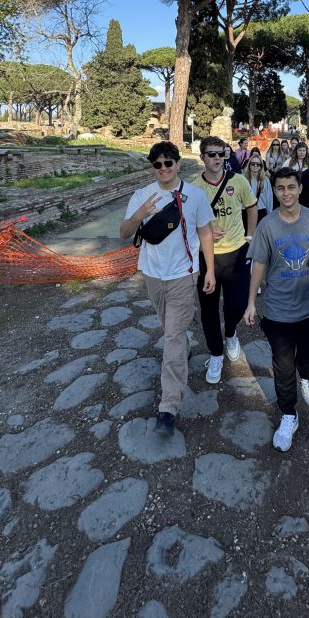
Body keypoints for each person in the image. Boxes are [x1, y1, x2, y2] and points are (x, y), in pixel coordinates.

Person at [120, 142, 216, 435]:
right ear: (153, 167)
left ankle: (168, 407)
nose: (164, 169)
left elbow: (205, 232)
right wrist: (140, 214)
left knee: (172, 338)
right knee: (170, 329)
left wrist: (209, 269)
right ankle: (183, 348)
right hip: (152, 274)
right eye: (158, 164)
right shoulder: (141, 195)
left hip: (184, 275)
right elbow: (124, 234)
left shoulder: (195, 196)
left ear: (178, 164)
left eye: (169, 163)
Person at [244, 167, 309, 451]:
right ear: (275, 190)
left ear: (300, 188)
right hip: (279, 310)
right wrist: (252, 301)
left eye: (291, 187)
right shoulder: (267, 226)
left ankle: (307, 376)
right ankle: (288, 414)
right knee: (282, 366)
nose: (286, 193)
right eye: (280, 188)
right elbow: (259, 263)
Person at [194, 136, 258, 383]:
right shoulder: (193, 188)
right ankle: (216, 353)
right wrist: (205, 234)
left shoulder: (238, 181)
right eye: (211, 154)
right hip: (206, 256)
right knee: (208, 310)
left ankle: (231, 333)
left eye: (221, 154)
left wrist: (250, 237)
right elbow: (186, 222)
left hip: (236, 251)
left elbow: (251, 207)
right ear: (203, 158)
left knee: (236, 305)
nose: (217, 158)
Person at [244, 155, 273, 222]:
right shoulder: (243, 179)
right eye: (253, 164)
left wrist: (269, 215)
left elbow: (269, 198)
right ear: (249, 165)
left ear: (261, 166)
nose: (255, 166)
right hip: (246, 211)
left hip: (261, 211)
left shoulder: (265, 180)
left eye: (258, 164)